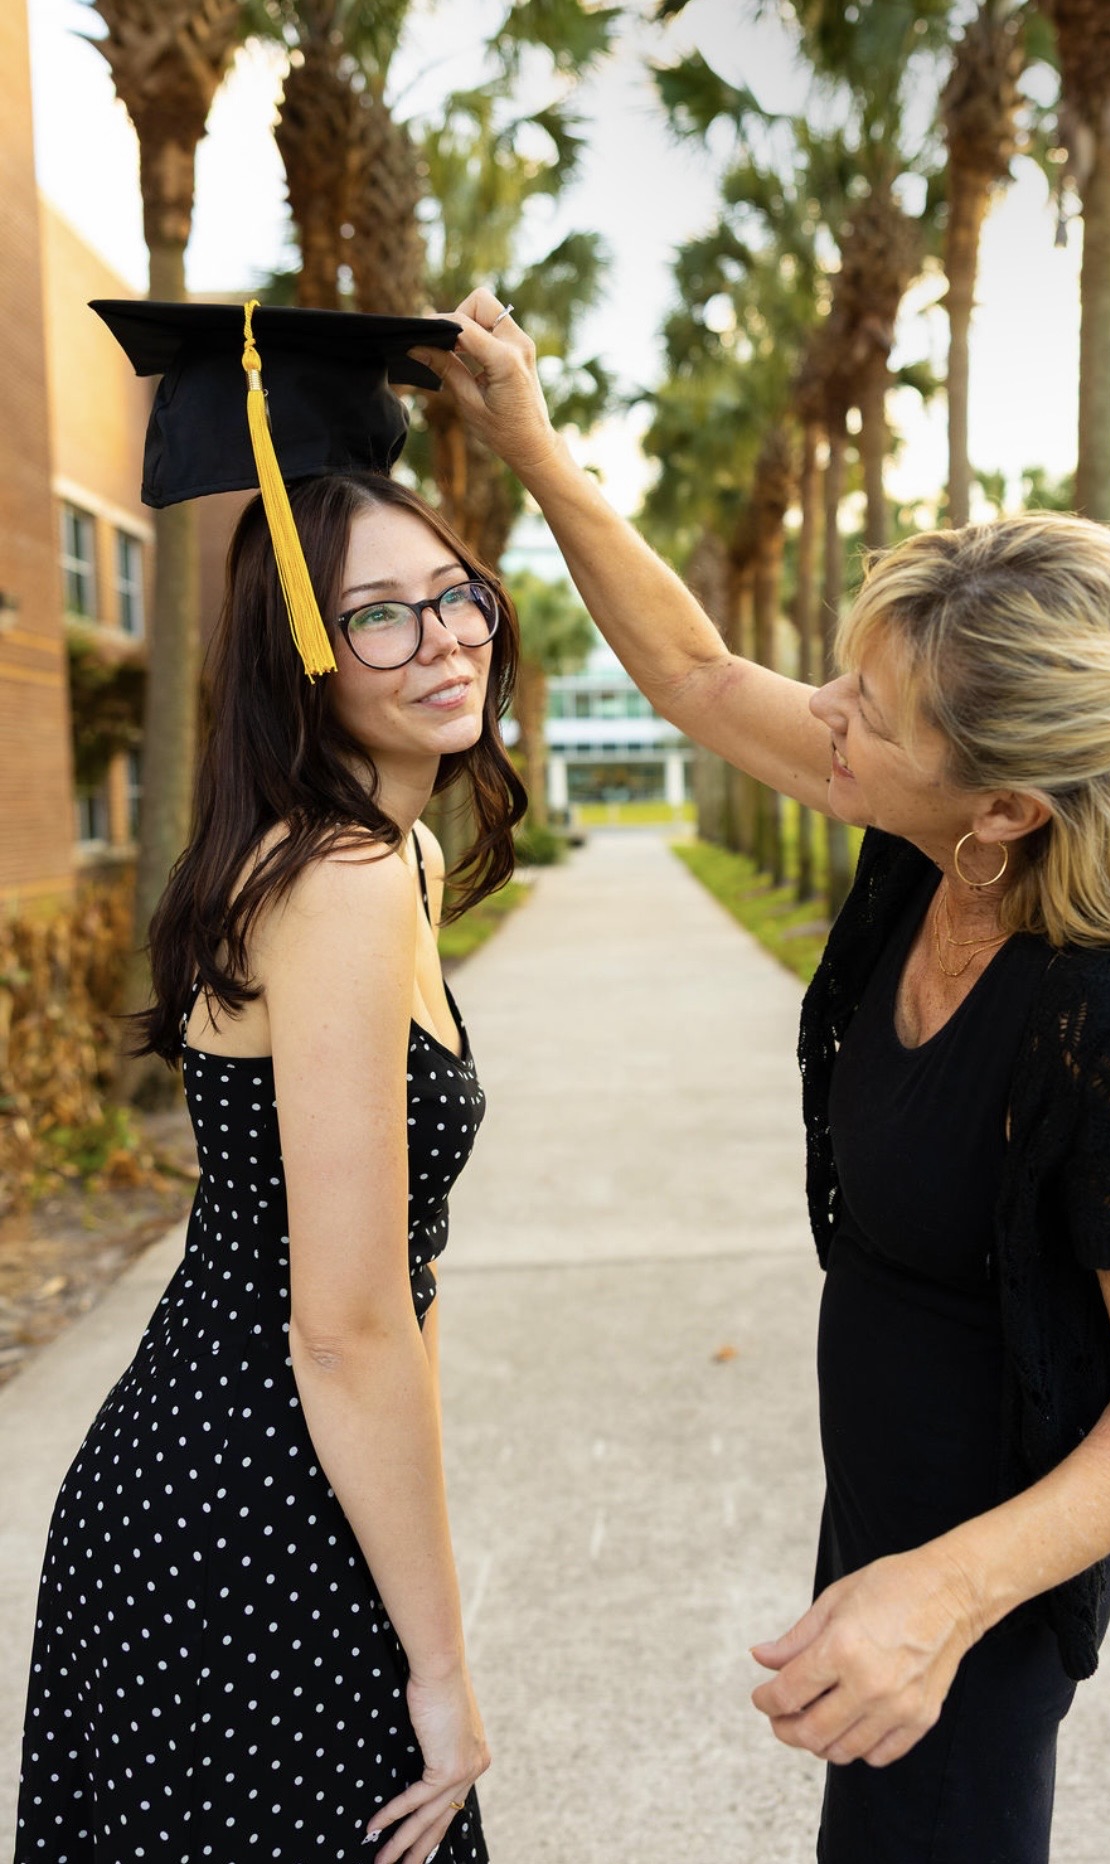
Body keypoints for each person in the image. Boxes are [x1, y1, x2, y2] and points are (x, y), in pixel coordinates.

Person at [420, 292, 1110, 1862]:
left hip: (984, 1571)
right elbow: (687, 669)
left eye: (861, 719)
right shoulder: (924, 845)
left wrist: (942, 1595)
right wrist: (526, 438)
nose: (821, 725)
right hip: (877, 1499)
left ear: (1003, 809)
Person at [16, 301, 527, 1864]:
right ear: (295, 647)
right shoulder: (345, 880)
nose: (442, 638)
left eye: (453, 593)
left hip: (241, 1490)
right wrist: (441, 1670)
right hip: (240, 1522)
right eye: (378, 614)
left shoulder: (384, 855)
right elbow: (346, 1317)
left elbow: (391, 1303)